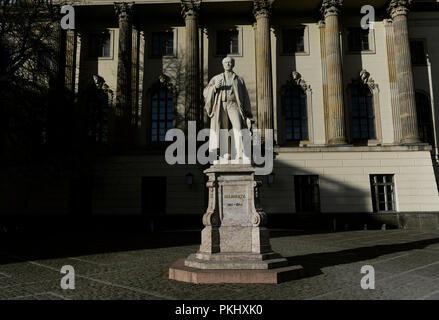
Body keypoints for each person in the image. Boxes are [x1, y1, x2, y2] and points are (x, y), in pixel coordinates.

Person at [203, 56, 253, 162]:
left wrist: (248, 113)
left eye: (230, 62)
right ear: (223, 64)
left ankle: (240, 153)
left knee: (238, 128)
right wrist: (215, 87)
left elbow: (245, 97)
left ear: (233, 64)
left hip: (233, 105)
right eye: (226, 62)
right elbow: (206, 92)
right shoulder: (216, 78)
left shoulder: (239, 79)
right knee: (222, 129)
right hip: (220, 105)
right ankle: (225, 154)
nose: (228, 64)